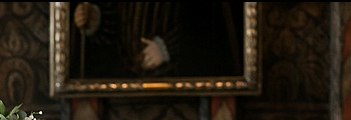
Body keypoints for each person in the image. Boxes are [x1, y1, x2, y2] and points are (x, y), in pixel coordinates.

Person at [71, 1, 244, 79]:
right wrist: (95, 19)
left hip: (176, 85)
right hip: (125, 85)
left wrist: (167, 47)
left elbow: (208, 19)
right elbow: (117, 21)